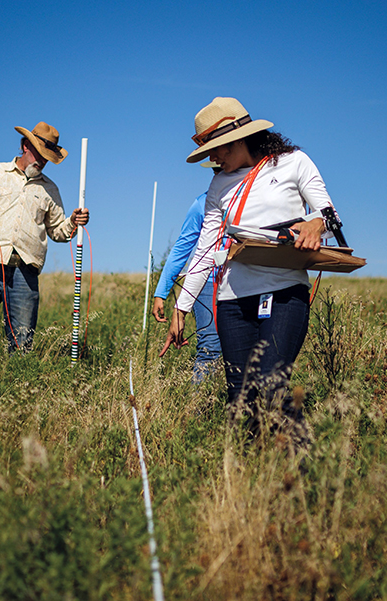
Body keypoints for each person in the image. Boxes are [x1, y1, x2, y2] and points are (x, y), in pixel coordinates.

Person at [161, 97, 339, 445]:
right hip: (232, 303)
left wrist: (316, 224)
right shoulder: (219, 185)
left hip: (284, 293)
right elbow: (205, 250)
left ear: (236, 139)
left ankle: (303, 468)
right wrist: (181, 308)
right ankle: (252, 469)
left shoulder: (294, 163)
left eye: (215, 149)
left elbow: (330, 215)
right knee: (241, 400)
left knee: (272, 384)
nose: (213, 159)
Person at [0, 122, 89, 354]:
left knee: (22, 339)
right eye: (39, 154)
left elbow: (58, 232)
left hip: (26, 269)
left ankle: (14, 374)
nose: (41, 161)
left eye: (46, 158)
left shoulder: (50, 190)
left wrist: (73, 221)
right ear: (25, 146)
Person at [151, 169, 222, 384]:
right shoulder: (201, 204)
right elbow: (182, 249)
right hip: (207, 282)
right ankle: (199, 402)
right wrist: (161, 293)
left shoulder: (252, 198)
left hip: (242, 281)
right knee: (210, 347)